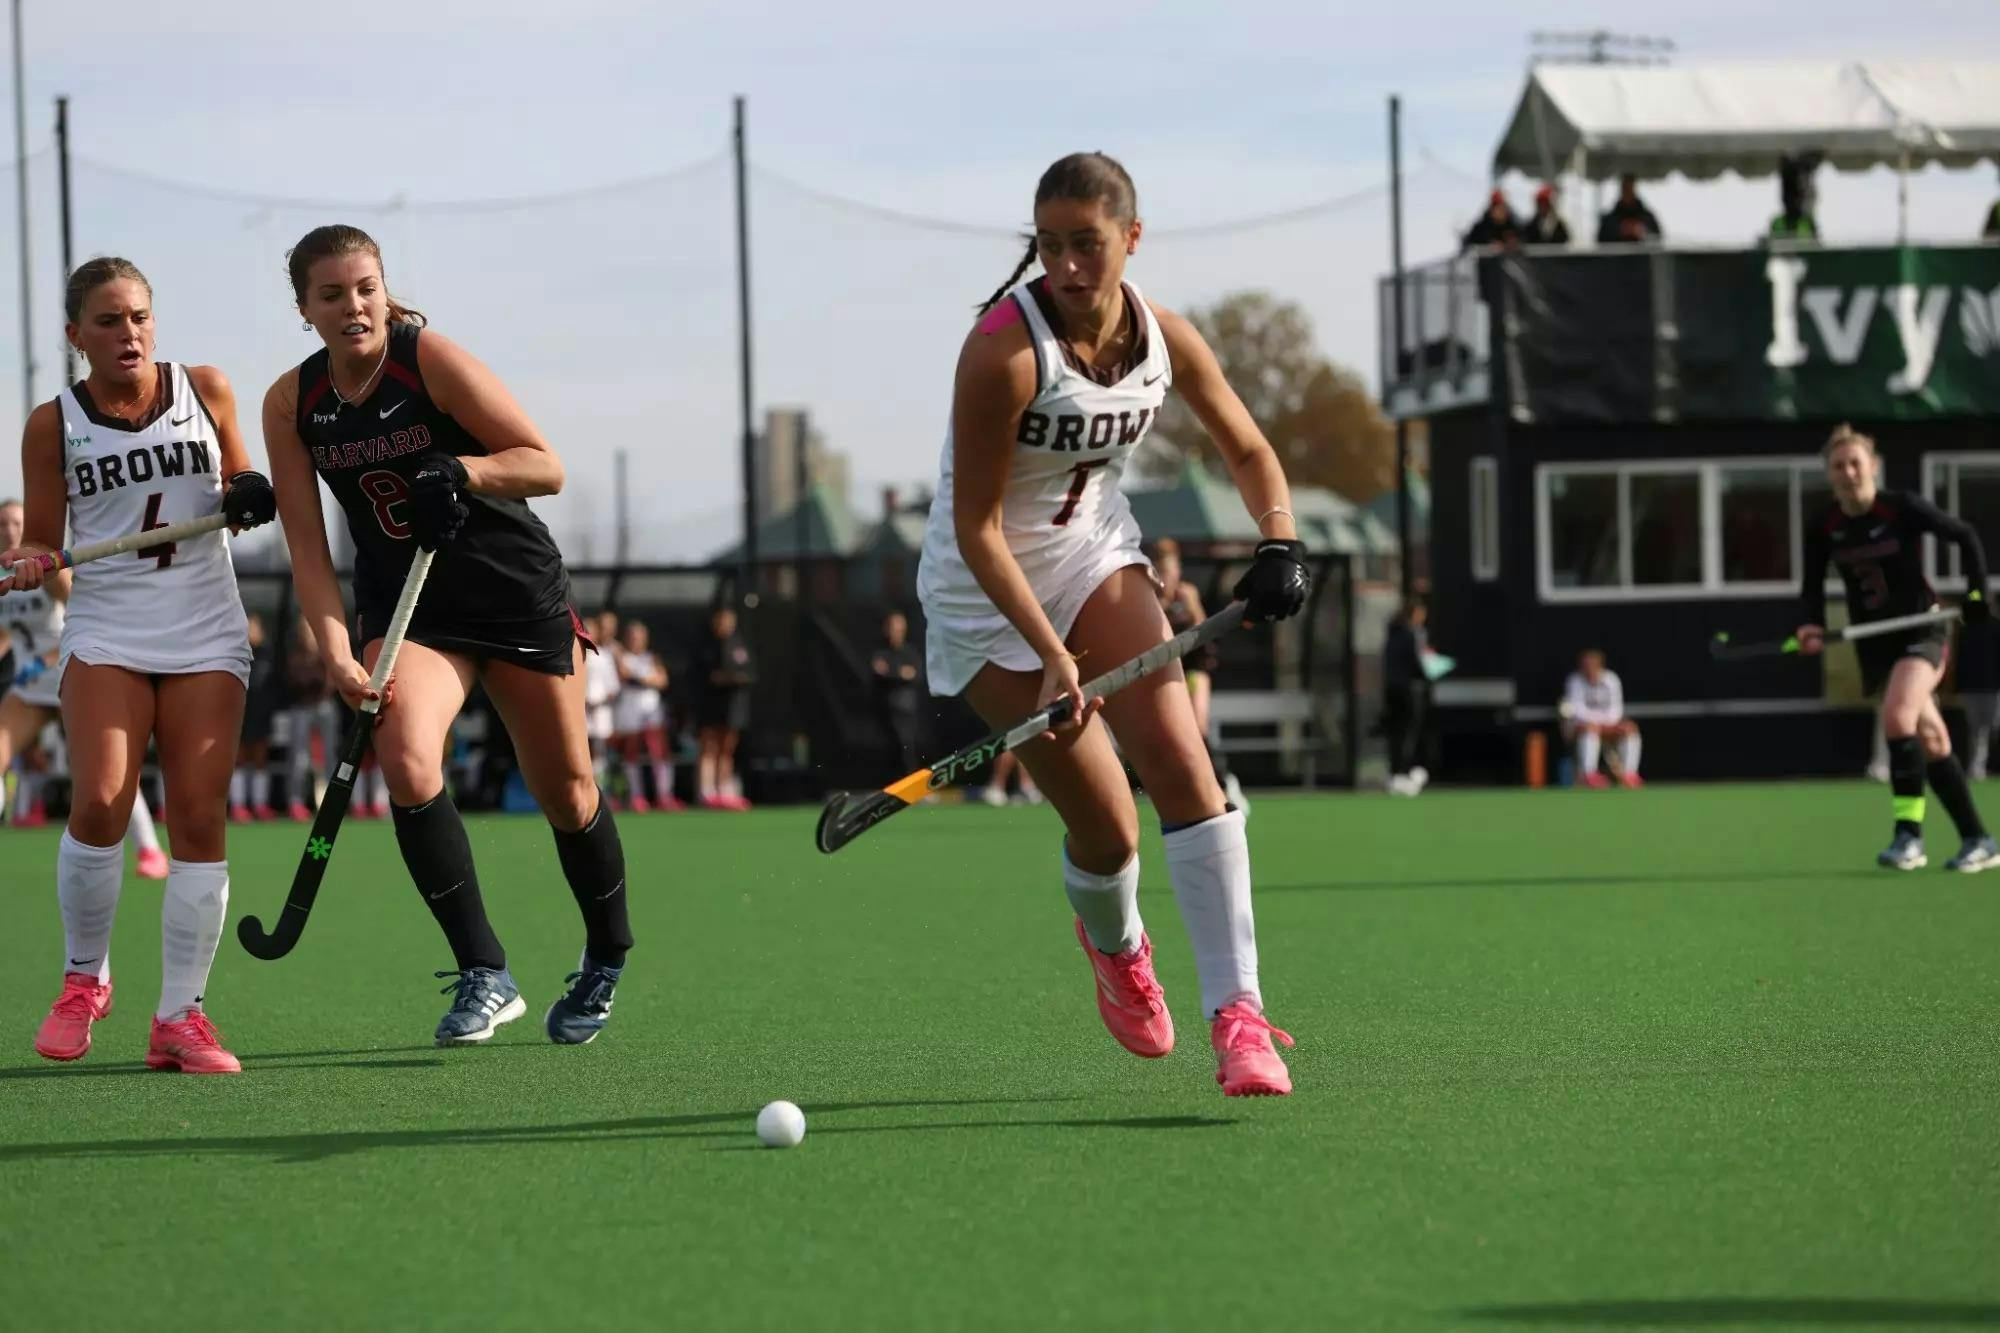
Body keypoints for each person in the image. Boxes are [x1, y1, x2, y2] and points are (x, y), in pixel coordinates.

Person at [916, 151, 1311, 1096]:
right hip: (985, 600)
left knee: (1184, 766)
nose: (1066, 267)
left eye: (1087, 245)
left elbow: (1250, 448)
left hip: (1095, 559)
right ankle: (1118, 943)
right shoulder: (1002, 352)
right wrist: (1052, 657)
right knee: (1110, 829)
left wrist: (1280, 541)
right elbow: (975, 528)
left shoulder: (1165, 337)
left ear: (1132, 239)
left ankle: (1240, 1016)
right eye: (1048, 247)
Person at [264, 224, 634, 1046]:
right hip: (411, 608)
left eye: (365, 286)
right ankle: (484, 969)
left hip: (512, 593)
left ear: (384, 290)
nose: (353, 305)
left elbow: (543, 462)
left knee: (567, 791)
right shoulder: (293, 403)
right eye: (332, 294)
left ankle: (607, 950)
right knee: (404, 756)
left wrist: (459, 468)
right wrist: (333, 652)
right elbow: (308, 552)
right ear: (305, 310)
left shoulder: (424, 358)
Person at [4, 256, 278, 1073]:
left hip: (204, 628)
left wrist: (248, 493)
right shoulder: (53, 424)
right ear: (74, 336)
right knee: (99, 800)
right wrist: (31, 559)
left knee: (197, 818)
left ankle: (180, 1018)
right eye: (107, 321)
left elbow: (241, 481)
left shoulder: (207, 389)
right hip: (111, 625)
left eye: (138, 317)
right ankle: (84, 979)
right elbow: (49, 543)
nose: (128, 333)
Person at [1797, 424, 1996, 871]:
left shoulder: (1899, 508)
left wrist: (1978, 597)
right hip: (1876, 642)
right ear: (1829, 474)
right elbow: (1811, 586)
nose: (1848, 472)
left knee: (1897, 716)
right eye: (1839, 465)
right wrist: (1810, 624)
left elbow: (1965, 536)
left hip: (1923, 630)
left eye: (1856, 463)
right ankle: (1978, 839)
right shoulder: (1824, 525)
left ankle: (1909, 837)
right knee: (1931, 737)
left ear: (1873, 466)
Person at [1151, 537, 1244, 809]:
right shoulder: (1149, 601)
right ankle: (1174, 790)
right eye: (1162, 570)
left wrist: (1192, 608)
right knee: (1167, 737)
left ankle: (1225, 784)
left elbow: (1205, 638)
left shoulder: (1187, 594)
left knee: (1197, 726)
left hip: (1192, 669)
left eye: (1171, 569)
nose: (1168, 576)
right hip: (1161, 674)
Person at [613, 619, 678, 812]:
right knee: (631, 753)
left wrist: (641, 679)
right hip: (629, 709)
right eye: (633, 637)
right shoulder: (621, 656)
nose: (636, 640)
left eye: (640, 637)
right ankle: (636, 796)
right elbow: (624, 675)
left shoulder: (652, 658)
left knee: (659, 751)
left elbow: (662, 680)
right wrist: (648, 679)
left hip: (651, 709)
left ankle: (664, 795)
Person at [280, 613, 341, 820]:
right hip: (301, 707)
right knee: (298, 757)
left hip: (324, 705)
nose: (308, 634)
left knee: (330, 755)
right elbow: (293, 680)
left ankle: (331, 802)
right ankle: (295, 802)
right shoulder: (295, 655)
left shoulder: (324, 651)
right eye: (304, 630)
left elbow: (332, 678)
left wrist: (319, 686)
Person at [694, 603, 753, 810]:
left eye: (729, 621)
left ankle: (725, 791)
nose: (725, 625)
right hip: (710, 705)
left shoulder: (739, 645)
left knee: (727, 748)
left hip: (733, 707)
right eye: (721, 621)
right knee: (709, 747)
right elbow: (704, 676)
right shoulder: (706, 647)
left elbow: (749, 673)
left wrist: (733, 679)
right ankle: (706, 792)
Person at [228, 611, 283, 821]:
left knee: (260, 760)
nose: (251, 632)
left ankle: (260, 805)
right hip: (239, 714)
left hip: (262, 716)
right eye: (248, 628)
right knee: (239, 760)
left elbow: (277, 686)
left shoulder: (269, 656)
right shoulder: (235, 654)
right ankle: (239, 806)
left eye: (255, 628)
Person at [1562, 649, 1642, 789]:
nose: (1589, 669)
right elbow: (1577, 711)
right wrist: (1596, 725)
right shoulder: (1574, 681)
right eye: (1586, 666)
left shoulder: (1612, 679)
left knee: (1630, 728)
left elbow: (1616, 710)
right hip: (1580, 727)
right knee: (1590, 729)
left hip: (1608, 726)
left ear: (1600, 666)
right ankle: (1588, 775)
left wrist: (1602, 725)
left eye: (1592, 665)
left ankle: (1629, 774)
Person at [1382, 598, 1432, 796]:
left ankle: (1395, 774)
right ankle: (1403, 774)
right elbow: (1418, 664)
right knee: (1407, 733)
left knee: (1396, 733)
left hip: (1391, 689)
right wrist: (1430, 672)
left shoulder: (1392, 634)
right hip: (1408, 690)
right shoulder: (1413, 634)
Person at [871, 609, 925, 775]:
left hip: (907, 710)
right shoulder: (880, 652)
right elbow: (878, 672)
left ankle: (910, 785)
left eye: (899, 628)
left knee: (907, 747)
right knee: (889, 750)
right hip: (885, 711)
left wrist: (891, 671)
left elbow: (915, 675)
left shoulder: (911, 652)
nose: (896, 632)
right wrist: (900, 672)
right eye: (893, 627)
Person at [583, 610, 622, 797]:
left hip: (600, 712)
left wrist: (597, 701)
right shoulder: (576, 655)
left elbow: (613, 687)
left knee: (601, 752)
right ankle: (585, 791)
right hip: (580, 712)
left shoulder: (604, 656)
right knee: (583, 752)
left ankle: (601, 791)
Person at [1597, 174, 1662, 245]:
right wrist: (1620, 231)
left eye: (1630, 188)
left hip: (1641, 255)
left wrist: (1643, 232)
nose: (1628, 192)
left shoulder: (1647, 218)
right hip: (1617, 255)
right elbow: (1601, 241)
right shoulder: (1609, 220)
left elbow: (1657, 238)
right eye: (1625, 188)